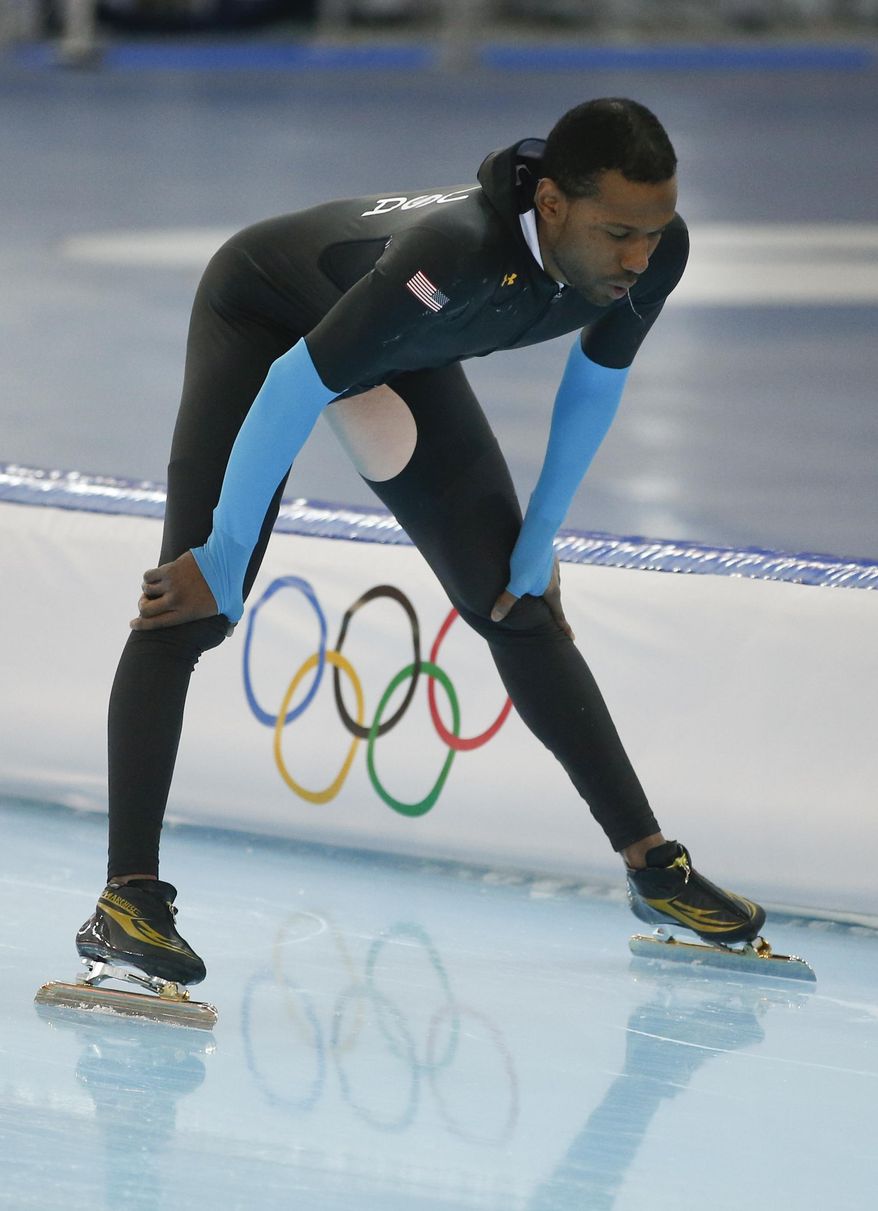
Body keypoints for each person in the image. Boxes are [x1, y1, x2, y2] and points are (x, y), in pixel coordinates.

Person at [76, 98, 765, 989]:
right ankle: (126, 897)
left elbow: (596, 381)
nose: (639, 258)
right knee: (194, 598)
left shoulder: (654, 253)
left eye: (655, 231)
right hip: (268, 316)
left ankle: (652, 866)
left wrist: (540, 538)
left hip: (395, 338)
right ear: (551, 205)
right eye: (618, 233)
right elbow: (296, 380)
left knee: (515, 602)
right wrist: (222, 551)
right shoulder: (462, 251)